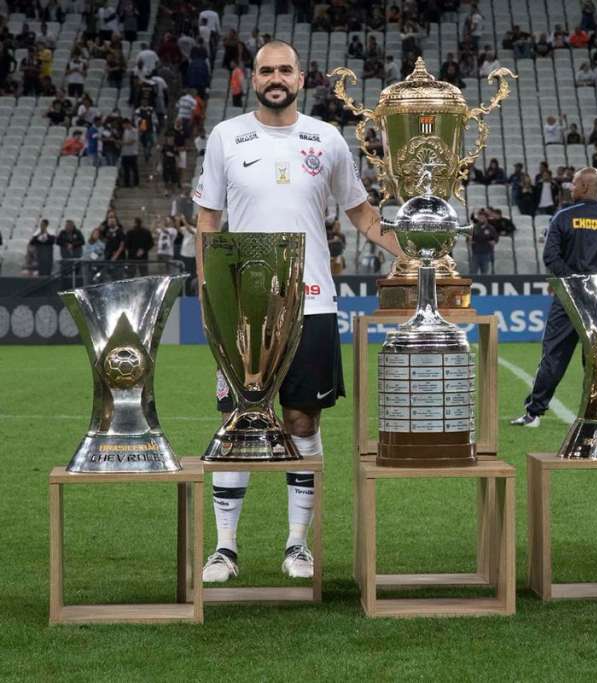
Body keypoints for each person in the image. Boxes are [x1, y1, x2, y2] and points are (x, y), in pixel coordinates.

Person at [193, 40, 401, 583]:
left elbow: (361, 214)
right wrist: (209, 293)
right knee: (238, 420)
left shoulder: (326, 139)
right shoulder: (226, 137)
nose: (276, 78)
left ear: (300, 78)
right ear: (252, 79)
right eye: (266, 70)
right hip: (243, 308)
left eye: (285, 69)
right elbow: (208, 221)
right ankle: (226, 548)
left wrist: (421, 252)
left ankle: (296, 545)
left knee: (301, 419)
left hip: (312, 302)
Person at [511, 168, 597, 427]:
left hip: (568, 299)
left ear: (586, 187)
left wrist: (575, 282)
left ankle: (534, 413)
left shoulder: (563, 218)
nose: (570, 188)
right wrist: (595, 283)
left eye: (575, 184)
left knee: (554, 356)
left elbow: (550, 257)